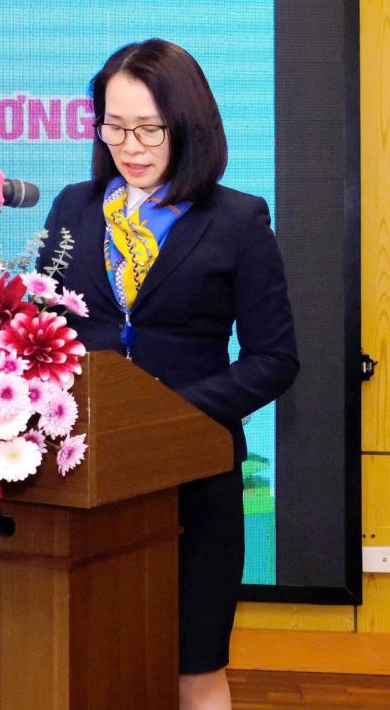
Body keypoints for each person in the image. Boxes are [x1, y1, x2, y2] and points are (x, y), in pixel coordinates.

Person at [37, 38, 300, 710]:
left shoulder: (237, 219)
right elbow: (40, 333)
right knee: (88, 659)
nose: (131, 146)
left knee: (194, 666)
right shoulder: (73, 208)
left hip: (192, 473)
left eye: (150, 129)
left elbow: (274, 359)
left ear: (188, 125)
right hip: (87, 476)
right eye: (115, 126)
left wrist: (167, 414)